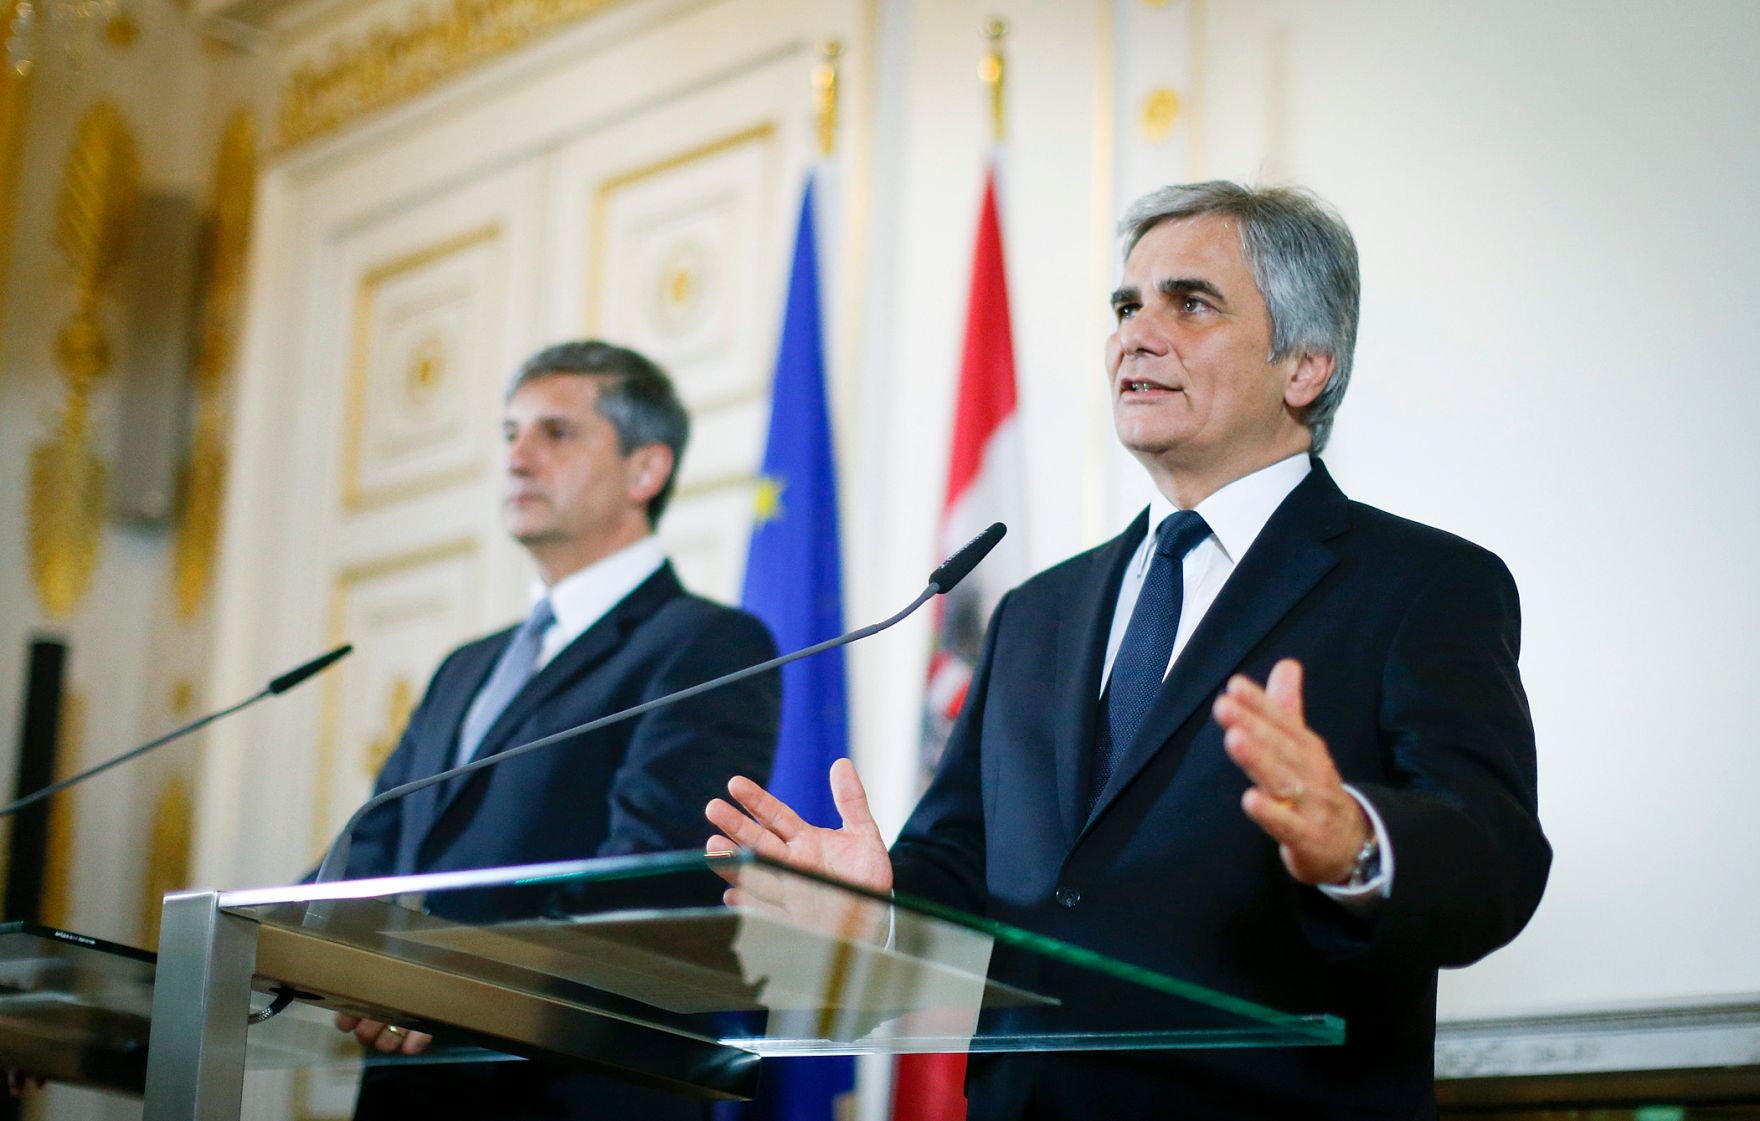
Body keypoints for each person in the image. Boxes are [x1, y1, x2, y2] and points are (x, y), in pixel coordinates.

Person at [706, 182, 1550, 1119]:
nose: (1135, 335)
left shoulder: (1420, 584)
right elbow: (968, 864)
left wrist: (1356, 841)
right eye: (1125, 305)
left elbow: (1495, 860)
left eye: (1189, 303)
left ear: (1306, 365)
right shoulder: (1035, 610)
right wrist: (883, 907)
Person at [336, 340, 782, 1121]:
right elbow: (370, 846)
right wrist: (314, 952)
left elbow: (648, 879)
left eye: (556, 432)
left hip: (573, 1092)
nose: (517, 457)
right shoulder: (464, 667)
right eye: (510, 432)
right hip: (410, 1087)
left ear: (647, 470)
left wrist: (430, 981)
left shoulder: (708, 643)